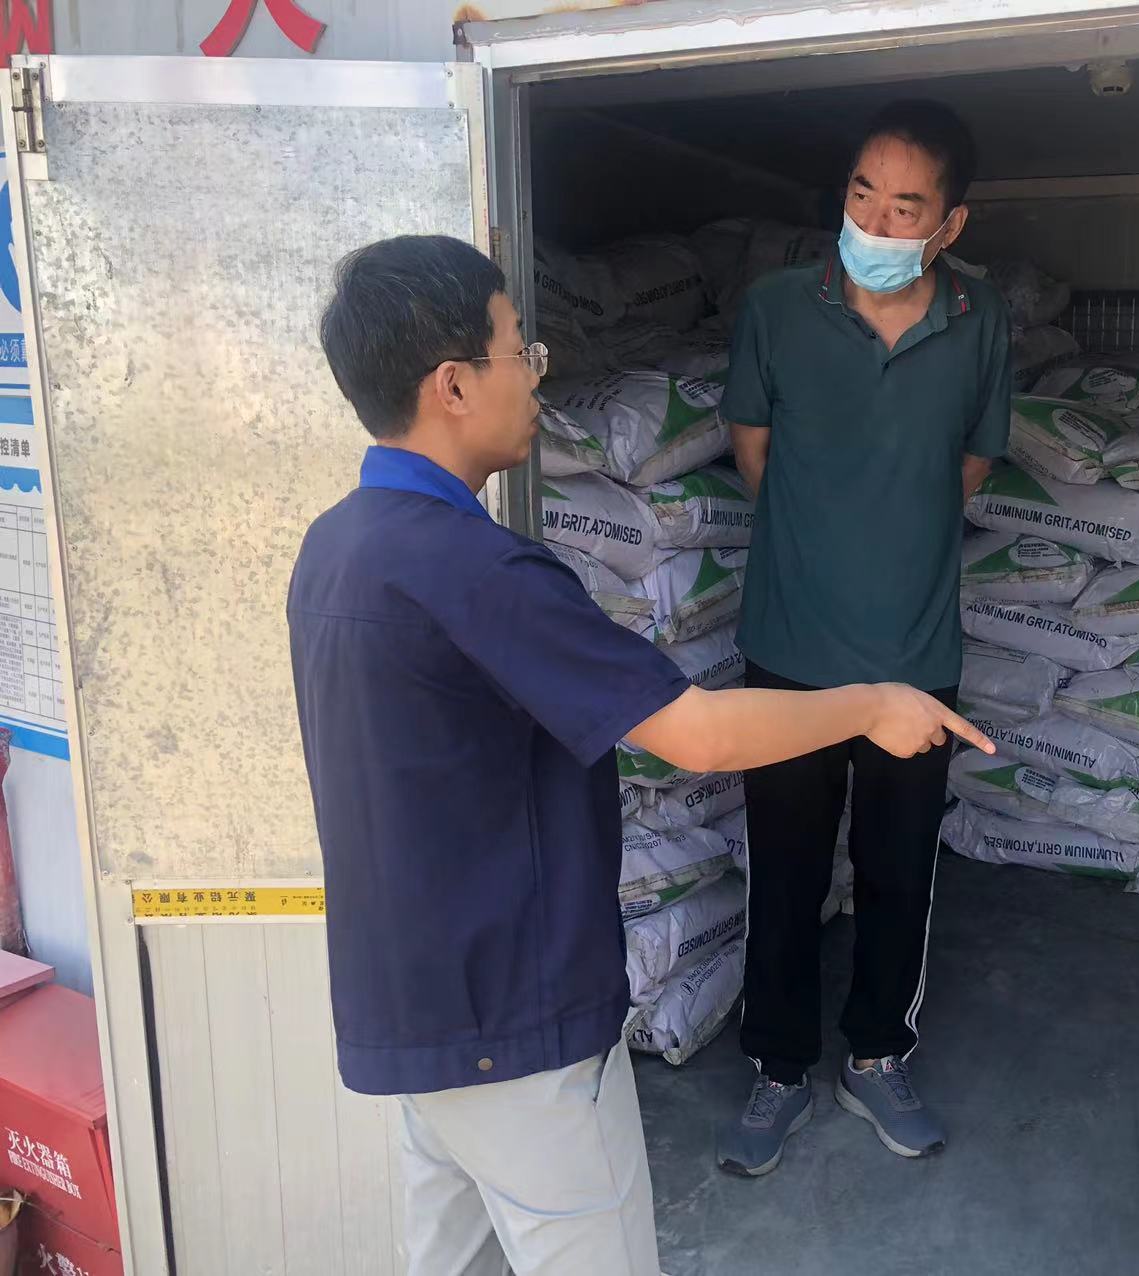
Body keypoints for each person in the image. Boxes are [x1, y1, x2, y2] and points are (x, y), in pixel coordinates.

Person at [287, 234, 992, 1276]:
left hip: (414, 1012)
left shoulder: (334, 547)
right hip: (516, 1028)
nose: (537, 378)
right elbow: (695, 732)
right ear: (452, 385)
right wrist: (872, 704)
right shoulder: (478, 571)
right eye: (519, 351)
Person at [716, 100, 1012, 1176]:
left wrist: (889, 534)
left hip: (913, 658)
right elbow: (754, 451)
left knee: (898, 874)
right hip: (789, 650)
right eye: (861, 194)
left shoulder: (980, 318)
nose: (875, 222)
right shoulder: (775, 308)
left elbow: (971, 462)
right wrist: (829, 536)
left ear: (949, 224)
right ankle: (779, 1067)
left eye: (905, 207)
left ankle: (878, 1057)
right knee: (786, 873)